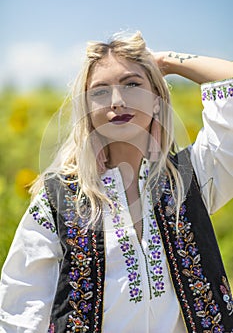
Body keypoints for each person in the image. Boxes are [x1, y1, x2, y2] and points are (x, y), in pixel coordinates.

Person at [0, 31, 233, 333]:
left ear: (158, 102)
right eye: (99, 91)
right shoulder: (59, 198)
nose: (118, 101)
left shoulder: (190, 177)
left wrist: (165, 61)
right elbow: (22, 311)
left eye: (133, 84)